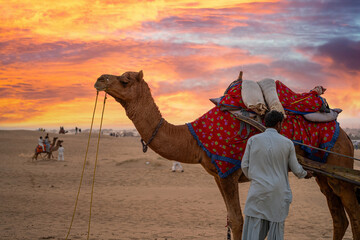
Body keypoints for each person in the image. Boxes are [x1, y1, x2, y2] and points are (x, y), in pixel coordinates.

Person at [241, 110, 313, 240]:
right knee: (276, 231)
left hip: (258, 192)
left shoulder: (253, 140)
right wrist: (305, 174)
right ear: (279, 124)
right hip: (278, 194)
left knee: (254, 230)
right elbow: (296, 169)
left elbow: (244, 165)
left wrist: (255, 178)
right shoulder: (287, 143)